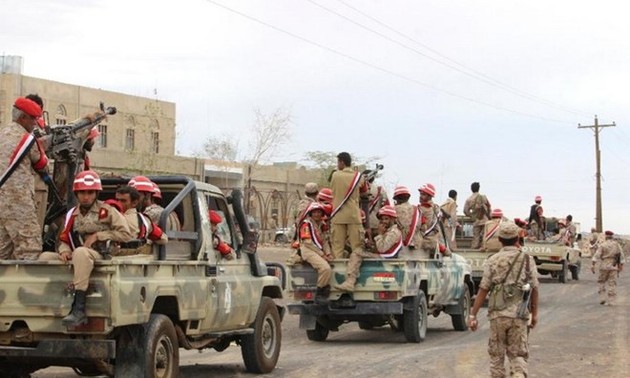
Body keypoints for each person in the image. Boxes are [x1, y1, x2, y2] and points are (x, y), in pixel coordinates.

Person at [45, 170, 133, 326]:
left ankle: (79, 310)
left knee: (80, 252)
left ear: (96, 193)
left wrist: (99, 236)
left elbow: (126, 234)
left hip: (101, 254)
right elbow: (64, 237)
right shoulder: (72, 214)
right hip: (79, 254)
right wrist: (64, 250)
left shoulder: (107, 211)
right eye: (82, 193)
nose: (86, 196)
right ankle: (48, 302)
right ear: (77, 194)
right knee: (45, 257)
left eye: (90, 192)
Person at [468, 221, 540, 378]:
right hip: (520, 314)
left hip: (497, 315)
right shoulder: (528, 260)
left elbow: (483, 289)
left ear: (499, 239)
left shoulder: (493, 260)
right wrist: (534, 314)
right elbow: (534, 288)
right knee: (518, 354)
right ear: (517, 239)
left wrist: (473, 315)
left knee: (496, 356)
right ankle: (519, 375)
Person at [0, 97, 48, 260]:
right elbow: (42, 163)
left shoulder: (2, 133)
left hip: (2, 199)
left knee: (3, 249)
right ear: (23, 118)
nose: (35, 122)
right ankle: (24, 285)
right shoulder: (27, 139)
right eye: (33, 118)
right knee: (30, 248)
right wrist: (43, 145)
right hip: (18, 200)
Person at [330, 152, 368, 259]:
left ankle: (338, 272)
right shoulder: (358, 176)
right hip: (353, 216)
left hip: (338, 215)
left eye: (338, 162)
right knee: (357, 247)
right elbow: (364, 192)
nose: (337, 165)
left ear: (342, 162)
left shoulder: (335, 175)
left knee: (337, 248)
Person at [115, 185, 168, 255]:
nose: (118, 203)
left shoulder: (113, 218)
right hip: (138, 259)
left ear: (134, 203)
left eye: (123, 201)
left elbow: (163, 239)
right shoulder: (144, 219)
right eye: (117, 200)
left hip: (122, 258)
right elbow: (163, 239)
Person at [298, 202, 333, 304]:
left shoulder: (321, 225)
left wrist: (328, 253)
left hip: (318, 250)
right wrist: (322, 255)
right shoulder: (306, 224)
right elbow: (308, 243)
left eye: (319, 212)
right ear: (310, 213)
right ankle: (319, 294)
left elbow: (325, 241)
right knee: (325, 268)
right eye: (315, 212)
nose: (317, 214)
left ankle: (325, 289)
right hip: (308, 250)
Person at [591, 230, 625, 306]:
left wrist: (593, 265)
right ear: (612, 237)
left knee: (601, 281)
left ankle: (602, 298)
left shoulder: (602, 245)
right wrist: (621, 265)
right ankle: (611, 300)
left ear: (606, 236)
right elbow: (621, 256)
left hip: (604, 265)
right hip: (613, 265)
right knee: (612, 283)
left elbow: (596, 255)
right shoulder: (616, 245)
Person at [393, 185, 425, 259]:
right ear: (408, 197)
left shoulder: (394, 210)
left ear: (397, 199)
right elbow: (424, 228)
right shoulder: (418, 210)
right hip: (417, 246)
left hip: (400, 247)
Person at [417, 183, 446, 256]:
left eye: (423, 194)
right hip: (437, 242)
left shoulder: (426, 209)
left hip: (430, 243)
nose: (420, 196)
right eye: (420, 194)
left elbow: (425, 229)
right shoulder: (435, 207)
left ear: (430, 196)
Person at [463, 182, 491, 249]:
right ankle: (484, 247)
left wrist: (472, 216)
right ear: (479, 188)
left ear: (471, 189)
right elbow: (489, 206)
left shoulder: (469, 199)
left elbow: (465, 210)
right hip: (484, 219)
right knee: (485, 235)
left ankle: (474, 248)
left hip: (476, 220)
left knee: (476, 236)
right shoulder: (483, 197)